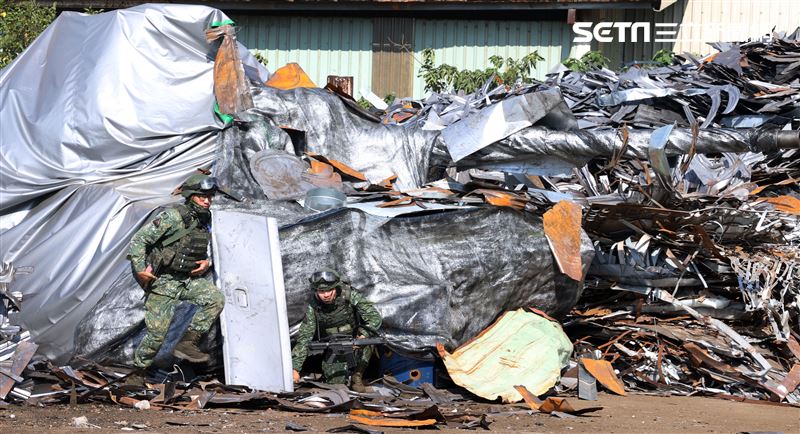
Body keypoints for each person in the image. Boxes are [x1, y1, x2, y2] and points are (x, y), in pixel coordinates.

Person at [127, 173, 225, 368]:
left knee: (215, 299)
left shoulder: (205, 219)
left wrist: (205, 262)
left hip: (185, 280)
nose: (207, 201)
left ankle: (187, 343)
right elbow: (140, 240)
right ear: (190, 196)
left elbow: (197, 247)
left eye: (209, 197)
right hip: (163, 282)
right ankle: (138, 372)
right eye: (202, 197)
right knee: (156, 335)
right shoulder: (172, 216)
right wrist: (139, 270)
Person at [291, 269, 382, 392]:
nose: (326, 295)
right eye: (321, 291)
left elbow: (374, 318)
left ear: (336, 287)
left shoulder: (349, 294)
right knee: (335, 386)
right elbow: (305, 336)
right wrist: (295, 369)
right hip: (334, 346)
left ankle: (357, 375)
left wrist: (363, 335)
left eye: (329, 290)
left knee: (367, 343)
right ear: (316, 291)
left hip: (355, 340)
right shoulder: (314, 306)